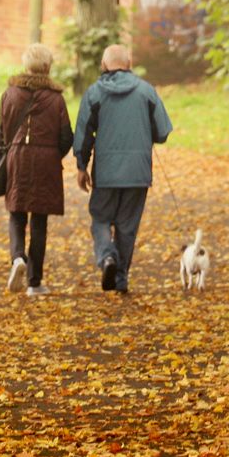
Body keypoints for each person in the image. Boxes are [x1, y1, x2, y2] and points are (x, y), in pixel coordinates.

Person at [73, 43, 174, 295]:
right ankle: (121, 279)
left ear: (104, 65)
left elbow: (84, 133)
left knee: (100, 219)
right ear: (129, 64)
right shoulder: (146, 92)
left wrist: (81, 165)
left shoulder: (94, 93)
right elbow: (162, 132)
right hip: (137, 173)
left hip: (106, 172)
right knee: (127, 226)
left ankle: (107, 256)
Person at [0, 43, 74, 296]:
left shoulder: (10, 94)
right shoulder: (56, 99)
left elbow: (1, 132)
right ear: (48, 67)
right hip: (46, 161)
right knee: (39, 220)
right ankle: (34, 282)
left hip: (16, 157)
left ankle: (18, 257)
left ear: (26, 65)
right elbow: (66, 137)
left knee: (16, 213)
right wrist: (53, 154)